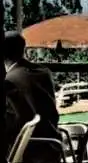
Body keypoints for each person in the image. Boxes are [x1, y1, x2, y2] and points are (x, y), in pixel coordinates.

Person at [4, 31, 61, 163]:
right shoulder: (43, 72)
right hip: (52, 143)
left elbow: (12, 124)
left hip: (31, 150)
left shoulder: (11, 81)